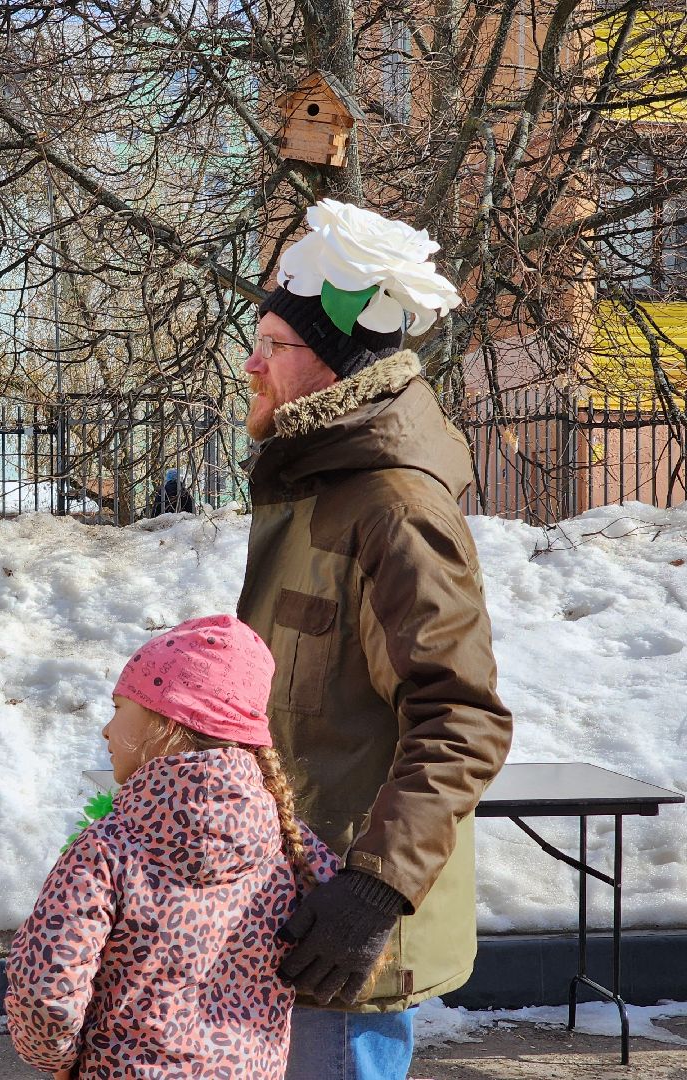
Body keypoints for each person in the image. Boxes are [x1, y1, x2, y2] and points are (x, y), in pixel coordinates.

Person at [236, 199, 513, 1079]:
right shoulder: (322, 489)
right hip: (297, 902)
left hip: (348, 926)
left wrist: (374, 890)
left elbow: (461, 719)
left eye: (273, 345)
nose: (253, 365)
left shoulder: (393, 509)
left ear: (337, 362)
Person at [5, 614, 343, 1079]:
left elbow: (46, 986)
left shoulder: (107, 850)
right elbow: (342, 935)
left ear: (166, 722)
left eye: (120, 707)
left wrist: (57, 1062)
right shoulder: (291, 844)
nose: (106, 730)